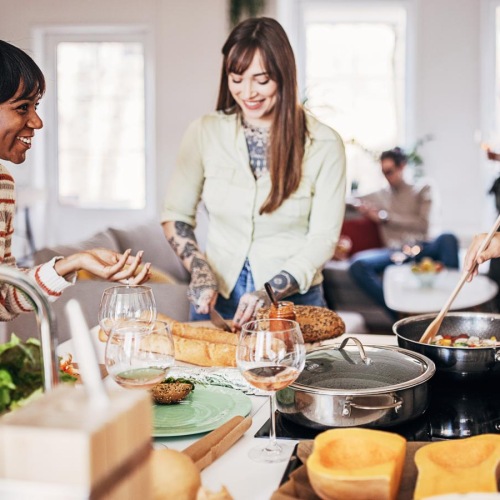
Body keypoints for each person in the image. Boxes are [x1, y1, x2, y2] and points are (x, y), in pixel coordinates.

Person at [161, 17, 346, 329]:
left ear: (284, 75)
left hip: (293, 302)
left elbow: (323, 239)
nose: (248, 92)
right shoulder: (204, 132)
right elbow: (176, 215)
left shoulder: (324, 143)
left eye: (261, 80)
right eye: (237, 78)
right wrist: (201, 271)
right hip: (218, 299)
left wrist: (268, 292)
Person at [0, 39, 151, 321]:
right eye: (22, 107)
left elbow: (5, 296)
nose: (37, 121)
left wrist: (75, 262)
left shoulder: (3, 183)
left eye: (36, 106)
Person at [348, 147, 459, 319]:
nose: (387, 177)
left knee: (448, 238)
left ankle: (453, 308)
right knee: (358, 264)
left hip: (423, 246)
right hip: (395, 252)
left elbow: (423, 224)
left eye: (390, 172)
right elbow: (350, 200)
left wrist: (385, 218)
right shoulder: (379, 194)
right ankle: (401, 314)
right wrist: (359, 206)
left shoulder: (423, 188)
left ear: (403, 167)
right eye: (384, 173)